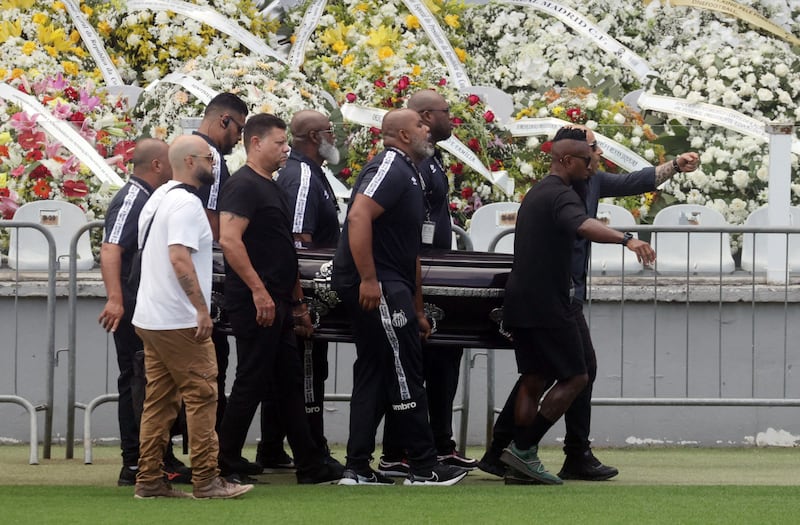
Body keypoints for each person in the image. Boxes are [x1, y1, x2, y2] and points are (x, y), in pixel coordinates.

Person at [478, 126, 700, 481]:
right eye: (590, 155)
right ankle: (521, 452)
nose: (595, 162)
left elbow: (632, 182)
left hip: (529, 298)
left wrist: (673, 166)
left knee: (536, 378)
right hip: (553, 300)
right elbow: (583, 224)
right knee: (577, 374)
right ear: (568, 158)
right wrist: (628, 239)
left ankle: (515, 454)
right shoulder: (563, 194)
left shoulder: (548, 189)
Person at [332, 108, 468, 486]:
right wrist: (369, 279)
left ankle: (356, 468)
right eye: (421, 125)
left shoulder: (410, 172)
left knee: (374, 373)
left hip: (394, 285)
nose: (429, 129)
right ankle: (424, 468)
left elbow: (411, 249)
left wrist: (418, 306)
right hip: (380, 286)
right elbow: (358, 217)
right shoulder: (391, 167)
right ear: (404, 135)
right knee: (405, 370)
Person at [217, 113, 343, 485]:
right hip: (257, 302)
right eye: (278, 142)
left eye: (286, 141)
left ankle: (309, 463)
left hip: (278, 300)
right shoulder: (243, 186)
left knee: (287, 382)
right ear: (255, 143)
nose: (285, 148)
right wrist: (259, 292)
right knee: (252, 380)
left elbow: (284, 251)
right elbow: (229, 240)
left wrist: (298, 303)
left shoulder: (270, 185)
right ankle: (223, 461)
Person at [131, 134, 252, 499]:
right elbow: (180, 258)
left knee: (160, 400)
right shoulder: (185, 204)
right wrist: (201, 309)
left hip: (152, 316)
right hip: (178, 319)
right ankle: (207, 480)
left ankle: (149, 480)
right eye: (208, 160)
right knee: (202, 396)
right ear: (188, 162)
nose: (213, 166)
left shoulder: (159, 198)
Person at [378, 91, 477, 477]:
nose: (451, 119)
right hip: (412, 271)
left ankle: (440, 442)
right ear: (421, 117)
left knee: (443, 359)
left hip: (433, 270)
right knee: (409, 363)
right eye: (444, 113)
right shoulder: (403, 164)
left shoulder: (430, 160)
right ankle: (398, 450)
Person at [98, 137, 192, 486]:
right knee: (137, 380)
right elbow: (110, 249)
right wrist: (116, 299)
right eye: (171, 160)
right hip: (133, 306)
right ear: (157, 165)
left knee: (154, 382)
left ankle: (156, 456)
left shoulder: (152, 198)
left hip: (144, 305)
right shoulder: (132, 198)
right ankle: (136, 461)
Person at [256, 110, 343, 469]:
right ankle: (313, 448)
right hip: (304, 293)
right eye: (329, 131)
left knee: (290, 371)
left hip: (300, 291)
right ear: (312, 136)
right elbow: (297, 244)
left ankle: (273, 448)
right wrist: (300, 301)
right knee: (308, 370)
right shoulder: (303, 177)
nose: (335, 137)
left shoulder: (312, 173)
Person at [193, 92, 249, 440]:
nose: (239, 138)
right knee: (213, 364)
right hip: (202, 274)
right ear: (223, 120)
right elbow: (213, 220)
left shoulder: (186, 147)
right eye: (238, 129)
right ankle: (212, 454)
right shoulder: (210, 155)